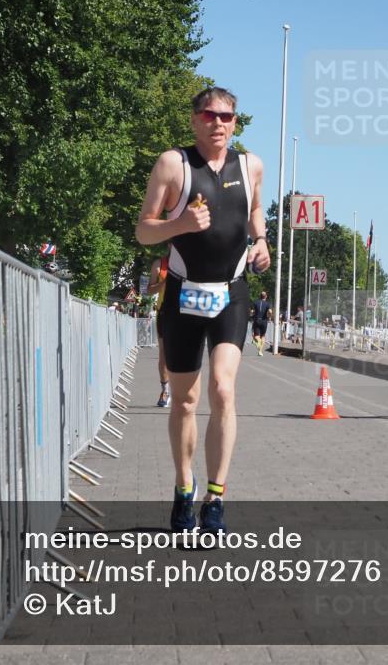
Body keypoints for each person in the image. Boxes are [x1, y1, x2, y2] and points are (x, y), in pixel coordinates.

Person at [136, 86, 270, 533]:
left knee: (224, 389)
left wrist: (263, 241)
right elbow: (144, 231)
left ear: (236, 122)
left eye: (227, 117)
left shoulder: (251, 165)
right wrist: (180, 224)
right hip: (182, 292)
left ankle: (216, 498)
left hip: (230, 291)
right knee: (186, 400)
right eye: (210, 115)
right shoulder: (173, 164)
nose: (218, 123)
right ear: (194, 119)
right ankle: (182, 488)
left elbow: (254, 212)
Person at [146, 250, 171, 407]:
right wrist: (163, 283)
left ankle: (183, 389)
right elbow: (148, 291)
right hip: (165, 312)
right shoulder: (159, 264)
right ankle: (165, 390)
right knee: (164, 355)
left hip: (187, 312)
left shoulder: (192, 261)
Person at [249, 290, 272, 356]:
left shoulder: (255, 302)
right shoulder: (267, 304)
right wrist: (269, 316)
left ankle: (258, 343)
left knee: (256, 336)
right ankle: (260, 351)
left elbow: (252, 311)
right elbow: (270, 311)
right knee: (263, 336)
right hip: (264, 321)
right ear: (266, 296)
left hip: (257, 320)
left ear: (260, 296)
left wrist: (251, 316)